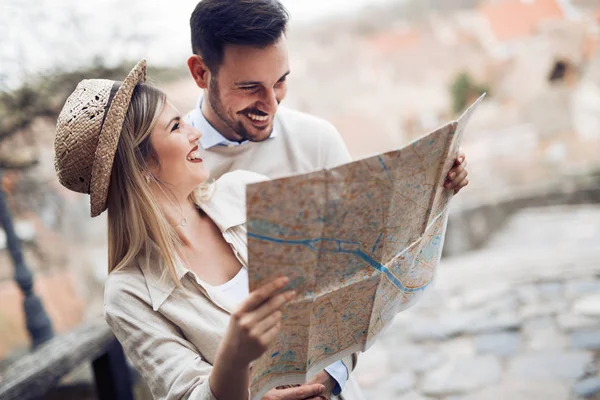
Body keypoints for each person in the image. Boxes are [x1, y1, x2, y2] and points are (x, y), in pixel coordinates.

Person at [185, 1, 468, 398]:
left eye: (280, 81)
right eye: (250, 87)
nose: (271, 104)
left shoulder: (318, 141)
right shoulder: (177, 163)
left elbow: (357, 281)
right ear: (201, 72)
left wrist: (329, 376)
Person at [54, 60, 332, 400]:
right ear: (138, 164)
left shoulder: (248, 192)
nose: (195, 133)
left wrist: (329, 376)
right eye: (175, 127)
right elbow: (185, 393)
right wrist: (234, 359)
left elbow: (340, 296)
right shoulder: (128, 294)